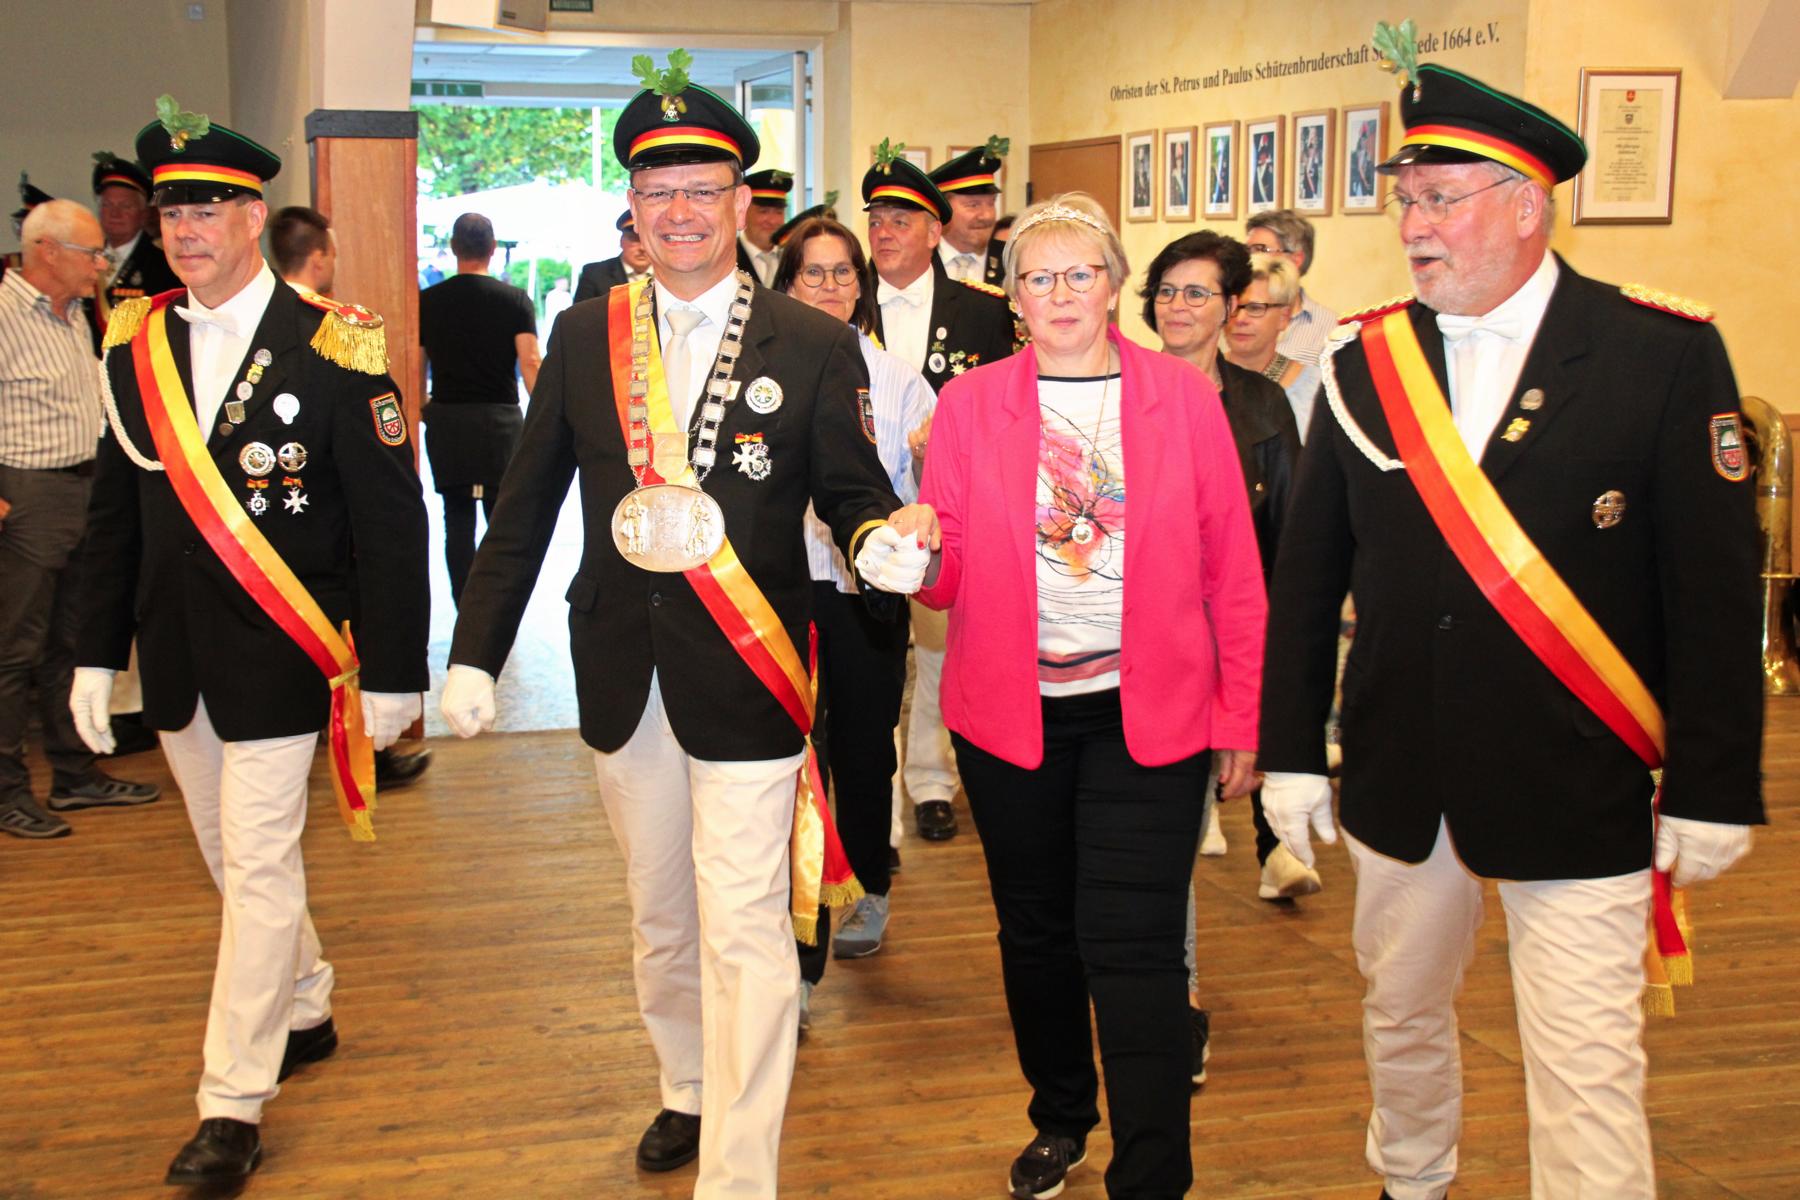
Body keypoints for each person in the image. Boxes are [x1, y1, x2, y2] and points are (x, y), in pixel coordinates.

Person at [1258, 60, 1762, 1200]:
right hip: (1404, 769)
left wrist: (1716, 783)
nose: (1414, 227)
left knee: (1587, 1065)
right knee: (1400, 1015)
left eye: (1442, 200)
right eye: (1407, 200)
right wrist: (1289, 750)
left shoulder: (1660, 353)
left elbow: (1714, 594)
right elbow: (1309, 577)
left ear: (1527, 205)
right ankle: (1412, 1179)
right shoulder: (1364, 361)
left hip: (1578, 776)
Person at [438, 59, 934, 1200]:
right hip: (624, 665)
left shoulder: (811, 343)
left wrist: (877, 544)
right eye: (656, 191)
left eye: (702, 190)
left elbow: (852, 491)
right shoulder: (584, 334)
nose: (679, 212)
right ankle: (688, 1083)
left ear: (740, 202)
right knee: (661, 915)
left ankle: (740, 1172)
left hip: (751, 669)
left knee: (746, 922)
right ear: (631, 206)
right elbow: (523, 509)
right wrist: (474, 652)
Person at [69, 99, 429, 1185]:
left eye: (209, 209)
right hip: (176, 655)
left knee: (262, 860)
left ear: (253, 216)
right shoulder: (135, 343)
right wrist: (95, 652)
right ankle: (306, 1002)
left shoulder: (336, 341)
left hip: (282, 649)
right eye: (170, 211)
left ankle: (231, 1103)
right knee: (233, 860)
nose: (185, 230)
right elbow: (116, 515)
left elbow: (390, 521)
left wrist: (397, 672)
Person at [915, 192, 1265, 1200]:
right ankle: (1062, 1116)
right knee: (1036, 935)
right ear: (1013, 297)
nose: (1060, 293)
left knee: (1137, 944)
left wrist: (1242, 715)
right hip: (1010, 715)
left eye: (1079, 274)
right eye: (1038, 277)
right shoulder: (971, 404)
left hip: (1147, 713)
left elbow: (1233, 570)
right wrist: (913, 558)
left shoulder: (1183, 400)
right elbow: (946, 572)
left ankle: (1152, 1174)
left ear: (1115, 285)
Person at [773, 216, 933, 1009]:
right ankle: (798, 936)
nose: (831, 287)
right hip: (780, 596)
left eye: (844, 273)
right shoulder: (763, 376)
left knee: (866, 750)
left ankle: (869, 885)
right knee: (795, 761)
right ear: (786, 285)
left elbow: (925, 494)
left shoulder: (899, 381)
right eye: (813, 272)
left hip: (865, 597)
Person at [866, 141, 1021, 843]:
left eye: (901, 221)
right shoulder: (845, 299)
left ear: (935, 231)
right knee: (871, 661)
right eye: (876, 221)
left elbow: (1010, 409)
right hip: (864, 507)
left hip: (950, 506)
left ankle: (930, 780)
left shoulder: (983, 312)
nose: (884, 234)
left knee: (937, 648)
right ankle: (874, 803)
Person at [0, 199, 161, 840]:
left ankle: (74, 774)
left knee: (72, 642)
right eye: (90, 254)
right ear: (46, 250)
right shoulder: (5, 312)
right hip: (26, 495)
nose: (100, 265)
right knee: (14, 651)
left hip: (82, 491)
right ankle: (7, 792)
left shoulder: (73, 316)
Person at [269, 204, 433, 791]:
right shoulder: (335, 336)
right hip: (333, 550)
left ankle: (357, 748)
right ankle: (360, 750)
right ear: (319, 257)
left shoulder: (322, 331)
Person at [418, 212, 542, 604]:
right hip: (499, 421)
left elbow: (417, 363)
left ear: (454, 248)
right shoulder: (515, 299)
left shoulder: (428, 300)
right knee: (500, 520)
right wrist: (544, 416)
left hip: (448, 419)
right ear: (492, 249)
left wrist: (422, 406)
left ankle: (464, 607)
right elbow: (530, 362)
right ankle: (495, 607)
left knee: (455, 518)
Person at [1224, 255, 1322, 441]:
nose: (1240, 319)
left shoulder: (1316, 390)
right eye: (1234, 307)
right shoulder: (1204, 380)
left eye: (1255, 308)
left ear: (1284, 317)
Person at [89, 155, 179, 350]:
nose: (115, 213)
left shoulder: (164, 266)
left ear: (144, 213)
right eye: (107, 205)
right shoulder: (83, 260)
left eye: (125, 206)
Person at [1245, 209, 1338, 367]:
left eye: (1260, 250)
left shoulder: (1330, 328)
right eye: (1246, 251)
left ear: (1296, 260)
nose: (1249, 260)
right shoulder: (1231, 317)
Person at [930, 137, 1009, 286]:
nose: (987, 215)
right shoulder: (917, 260)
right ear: (942, 209)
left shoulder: (1011, 260)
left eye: (991, 203)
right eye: (973, 205)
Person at [573, 209, 651, 303]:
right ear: (621, 242)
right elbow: (580, 311)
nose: (642, 248)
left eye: (648, 240)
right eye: (634, 239)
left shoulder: (666, 275)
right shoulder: (595, 274)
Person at [738, 168, 792, 287]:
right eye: (763, 211)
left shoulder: (793, 259)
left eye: (779, 212)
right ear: (744, 212)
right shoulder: (726, 259)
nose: (772, 221)